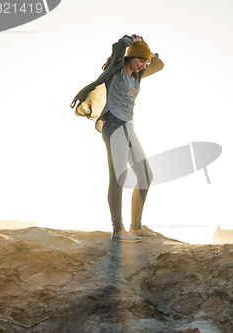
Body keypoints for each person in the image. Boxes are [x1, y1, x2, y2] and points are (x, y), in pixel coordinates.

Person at [71, 34, 164, 242]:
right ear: (131, 56)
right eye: (141, 60)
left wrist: (146, 51)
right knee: (118, 178)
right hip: (114, 124)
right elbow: (119, 46)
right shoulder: (116, 70)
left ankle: (136, 226)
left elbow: (160, 64)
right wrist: (131, 40)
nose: (143, 65)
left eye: (145, 62)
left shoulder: (137, 76)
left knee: (146, 175)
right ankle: (118, 229)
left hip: (128, 128)